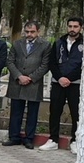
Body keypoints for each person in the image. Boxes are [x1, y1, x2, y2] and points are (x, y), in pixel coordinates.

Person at [3, 21, 51, 149]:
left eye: (32, 32)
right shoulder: (17, 44)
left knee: (32, 113)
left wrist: (30, 78)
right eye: (27, 32)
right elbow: (10, 61)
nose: (29, 34)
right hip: (17, 82)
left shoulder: (45, 45)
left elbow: (45, 65)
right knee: (15, 112)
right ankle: (14, 137)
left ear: (38, 32)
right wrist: (19, 76)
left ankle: (29, 139)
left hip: (33, 84)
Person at [40, 17, 84, 152]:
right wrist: (59, 78)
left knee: (76, 113)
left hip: (75, 83)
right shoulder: (59, 42)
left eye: (75, 26)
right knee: (55, 111)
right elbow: (52, 62)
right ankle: (53, 139)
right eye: (70, 26)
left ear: (81, 27)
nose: (72, 29)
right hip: (58, 82)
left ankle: (75, 141)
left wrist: (69, 78)